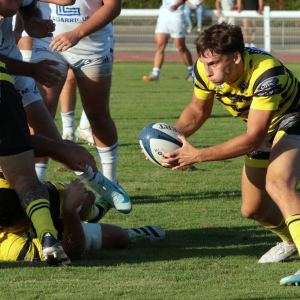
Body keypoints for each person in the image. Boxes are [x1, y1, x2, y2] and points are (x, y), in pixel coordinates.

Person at [160, 22, 300, 286]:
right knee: (253, 209)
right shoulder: (203, 67)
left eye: (213, 63)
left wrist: (198, 155)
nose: (207, 70)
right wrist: (171, 142)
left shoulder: (265, 72)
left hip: (293, 118)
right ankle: (292, 239)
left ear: (236, 58)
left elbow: (252, 139)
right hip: (263, 128)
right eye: (204, 62)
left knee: (279, 183)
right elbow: (197, 111)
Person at [0, 0, 93, 267]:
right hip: (7, 79)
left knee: (24, 174)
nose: (18, 2)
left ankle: (49, 233)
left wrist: (30, 21)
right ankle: (51, 231)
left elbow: (52, 3)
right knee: (24, 175)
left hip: (9, 81)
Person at [30, 0, 121, 185]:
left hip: (91, 48)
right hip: (49, 44)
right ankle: (36, 183)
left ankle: (110, 182)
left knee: (98, 117)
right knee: (40, 112)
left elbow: (113, 6)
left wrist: (76, 33)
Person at [0, 177, 165, 263]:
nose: (35, 219)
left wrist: (65, 151)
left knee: (87, 198)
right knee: (118, 236)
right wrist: (69, 211)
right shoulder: (13, 248)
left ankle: (96, 212)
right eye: (26, 221)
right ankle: (130, 234)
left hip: (24, 195)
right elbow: (71, 252)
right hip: (32, 237)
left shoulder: (7, 183)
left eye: (32, 212)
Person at [60, 23, 115, 144]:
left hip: (100, 32)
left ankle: (84, 126)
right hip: (68, 26)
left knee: (99, 78)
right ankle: (67, 131)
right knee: (69, 78)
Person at [142, 0, 194, 82]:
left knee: (181, 47)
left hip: (176, 16)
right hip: (164, 17)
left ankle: (192, 72)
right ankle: (155, 74)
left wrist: (177, 5)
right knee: (159, 45)